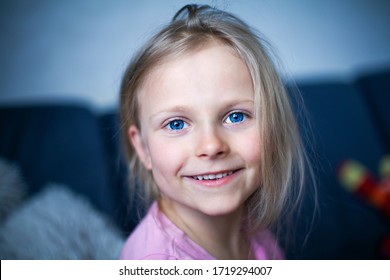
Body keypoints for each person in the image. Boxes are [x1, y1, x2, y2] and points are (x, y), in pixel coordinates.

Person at [119, 4, 310, 260]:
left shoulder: (251, 228)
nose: (211, 146)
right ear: (143, 148)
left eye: (236, 116)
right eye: (176, 124)